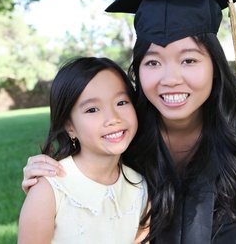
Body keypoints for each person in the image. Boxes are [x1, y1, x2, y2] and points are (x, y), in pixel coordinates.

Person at [21, 0, 236, 243]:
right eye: (153, 62)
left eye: (189, 60)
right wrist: (49, 182)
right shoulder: (128, 133)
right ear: (138, 70)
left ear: (215, 66)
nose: (170, 79)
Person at [17, 57, 149, 244]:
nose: (113, 118)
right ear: (69, 126)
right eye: (93, 109)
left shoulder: (140, 186)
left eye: (121, 102)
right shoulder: (49, 188)